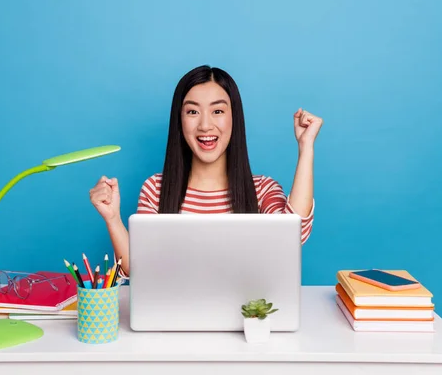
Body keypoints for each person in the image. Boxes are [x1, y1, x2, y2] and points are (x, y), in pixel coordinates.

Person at [89, 65, 323, 276]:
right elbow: (139, 268)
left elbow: (294, 235)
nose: (205, 125)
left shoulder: (262, 189)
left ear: (234, 118)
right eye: (192, 112)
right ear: (179, 121)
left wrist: (306, 147)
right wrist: (113, 219)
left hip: (247, 319)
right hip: (175, 318)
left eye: (218, 111)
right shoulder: (156, 189)